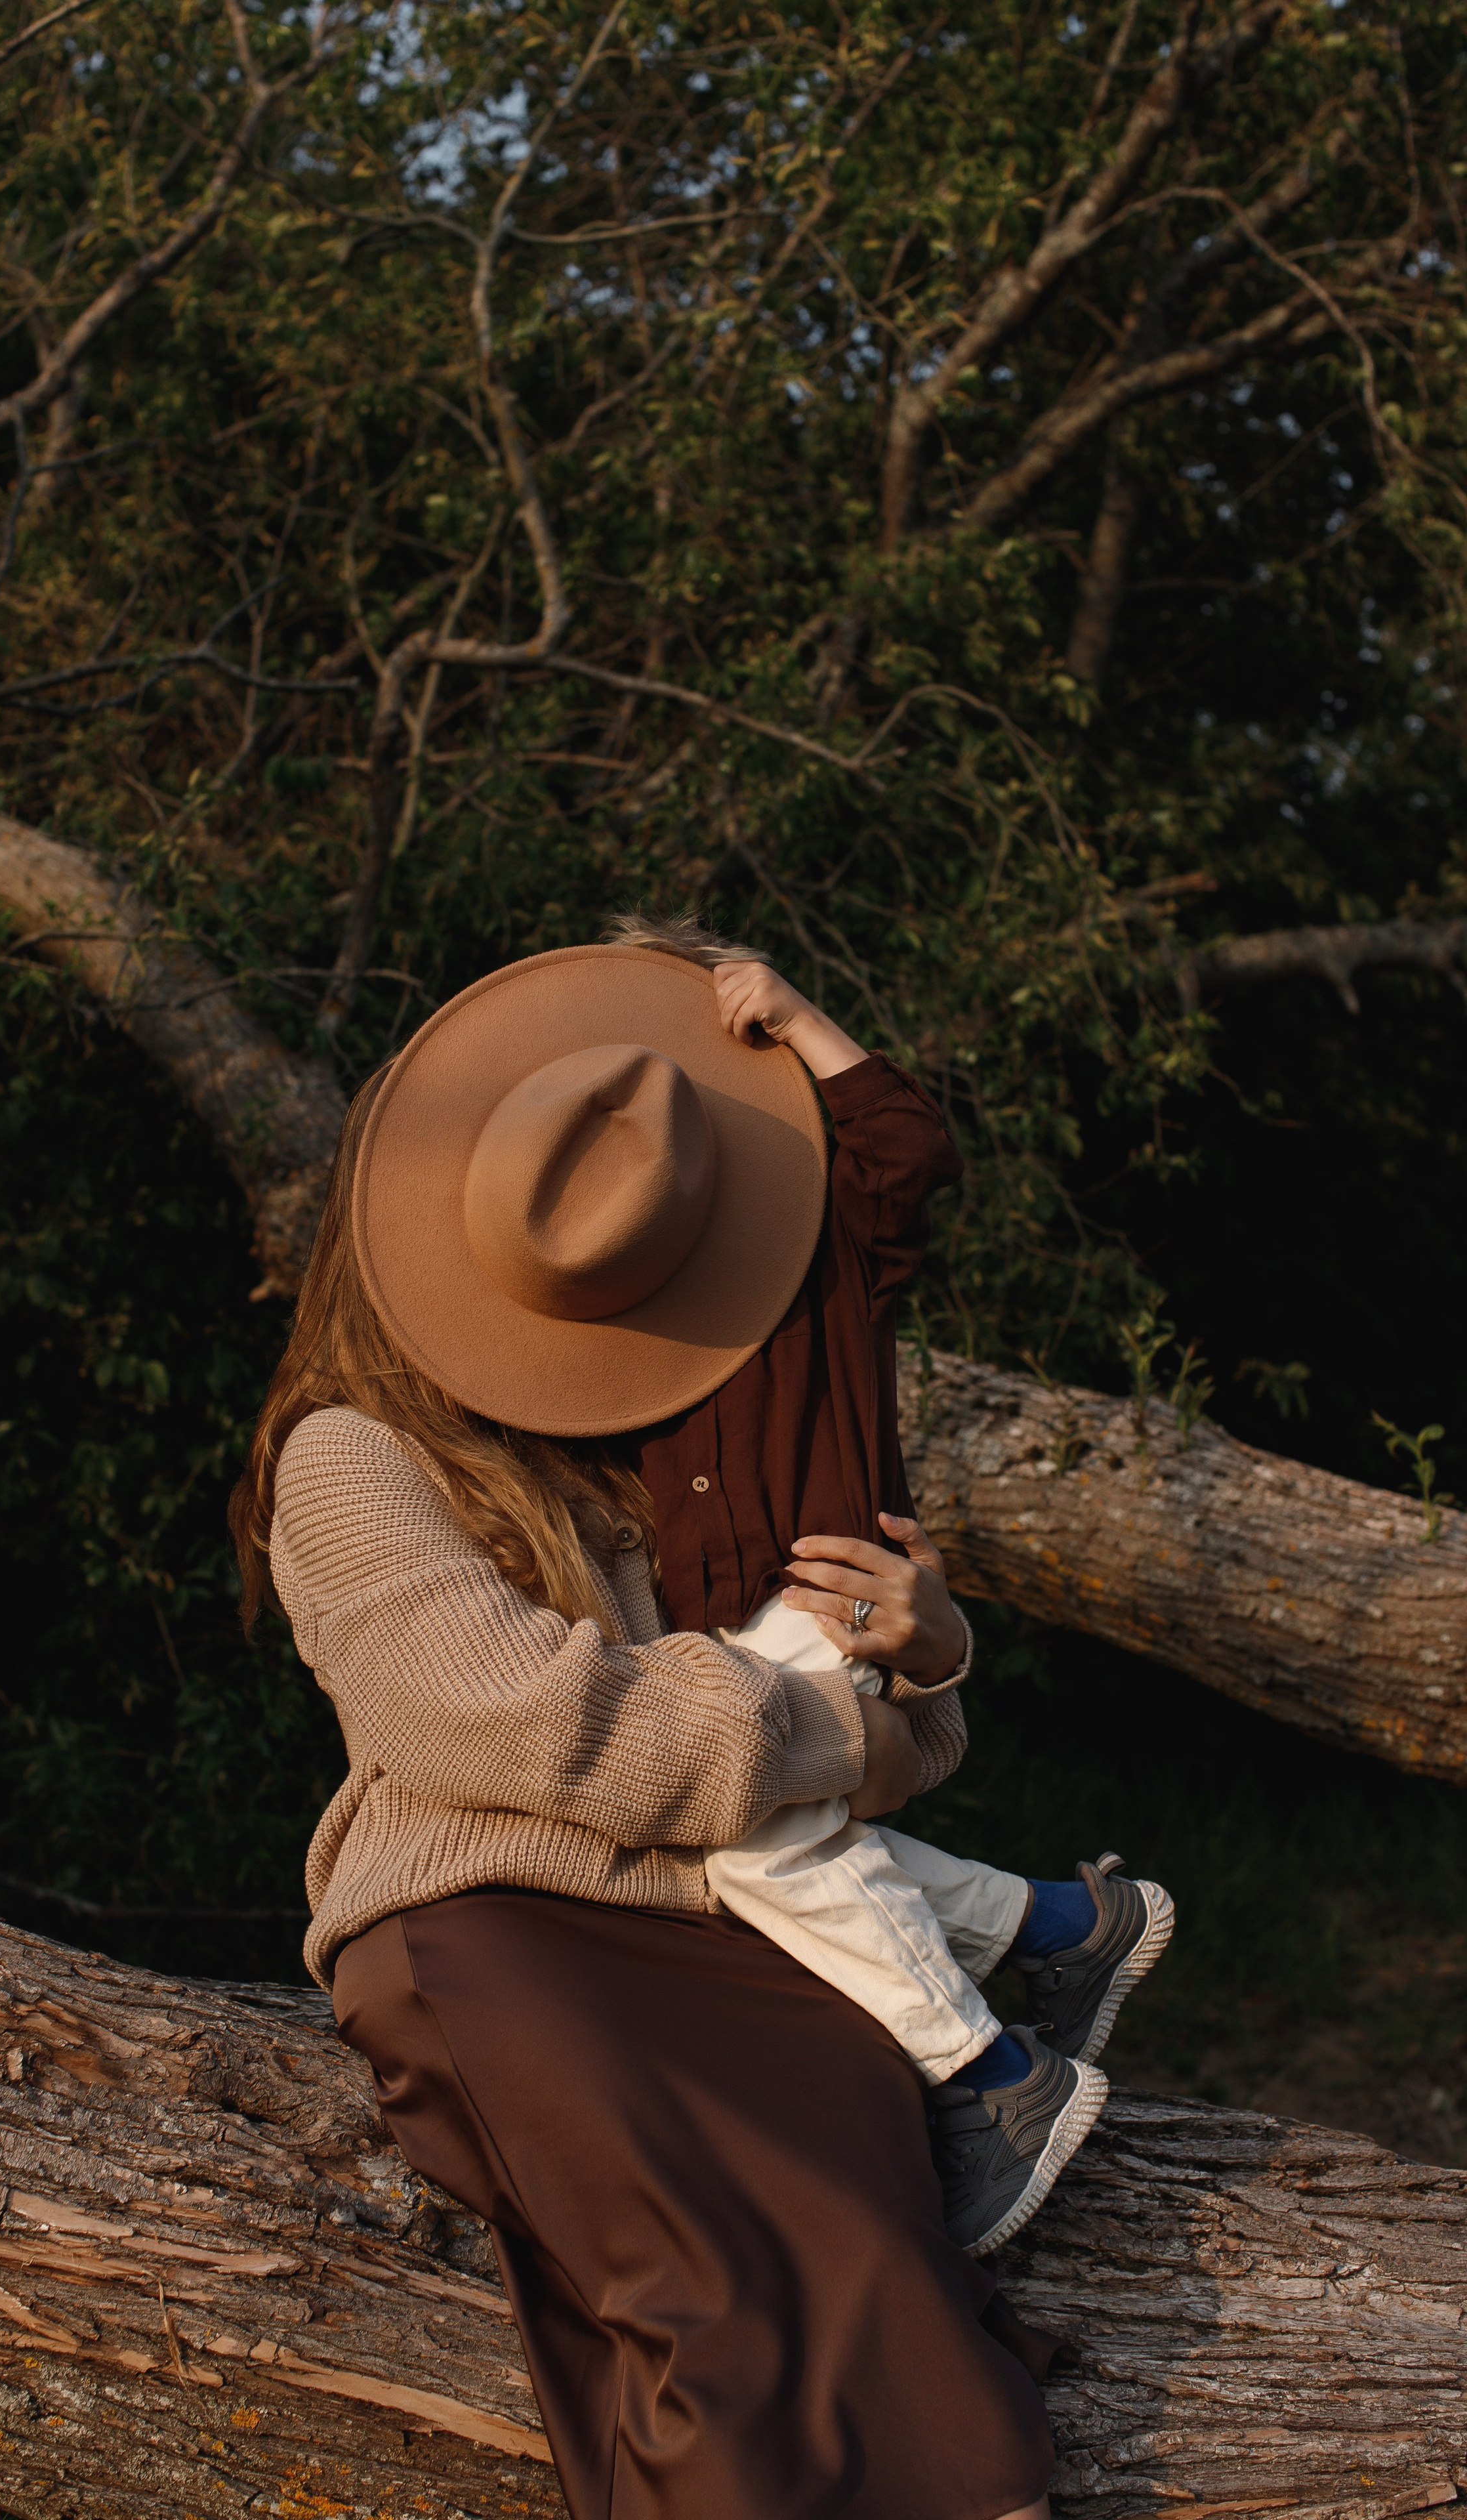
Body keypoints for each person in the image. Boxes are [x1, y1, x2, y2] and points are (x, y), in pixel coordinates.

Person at [231, 939, 1061, 2520]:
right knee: (724, 2309)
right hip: (487, 1923)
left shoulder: (632, 1464)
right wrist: (822, 1718)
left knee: (873, 2247)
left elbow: (837, 1759)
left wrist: (929, 1662)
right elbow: (537, 1729)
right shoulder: (345, 1458)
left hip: (696, 1912)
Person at [608, 915, 1175, 2255]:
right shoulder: (601, 1345)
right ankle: (1056, 1925)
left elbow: (905, 1149)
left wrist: (797, 1017)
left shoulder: (812, 1242)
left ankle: (993, 2080)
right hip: (722, 1644)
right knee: (737, 1835)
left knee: (746, 1833)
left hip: (831, 1597)